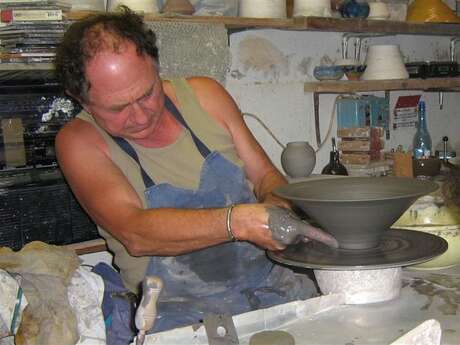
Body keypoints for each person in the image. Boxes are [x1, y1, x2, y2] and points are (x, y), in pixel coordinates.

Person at [54, 7, 337, 343]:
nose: (141, 115)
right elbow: (135, 233)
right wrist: (237, 223)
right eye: (118, 108)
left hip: (273, 289)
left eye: (147, 93)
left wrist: (277, 210)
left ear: (157, 68)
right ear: (81, 100)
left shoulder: (206, 96)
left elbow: (266, 177)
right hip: (179, 315)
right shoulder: (78, 142)